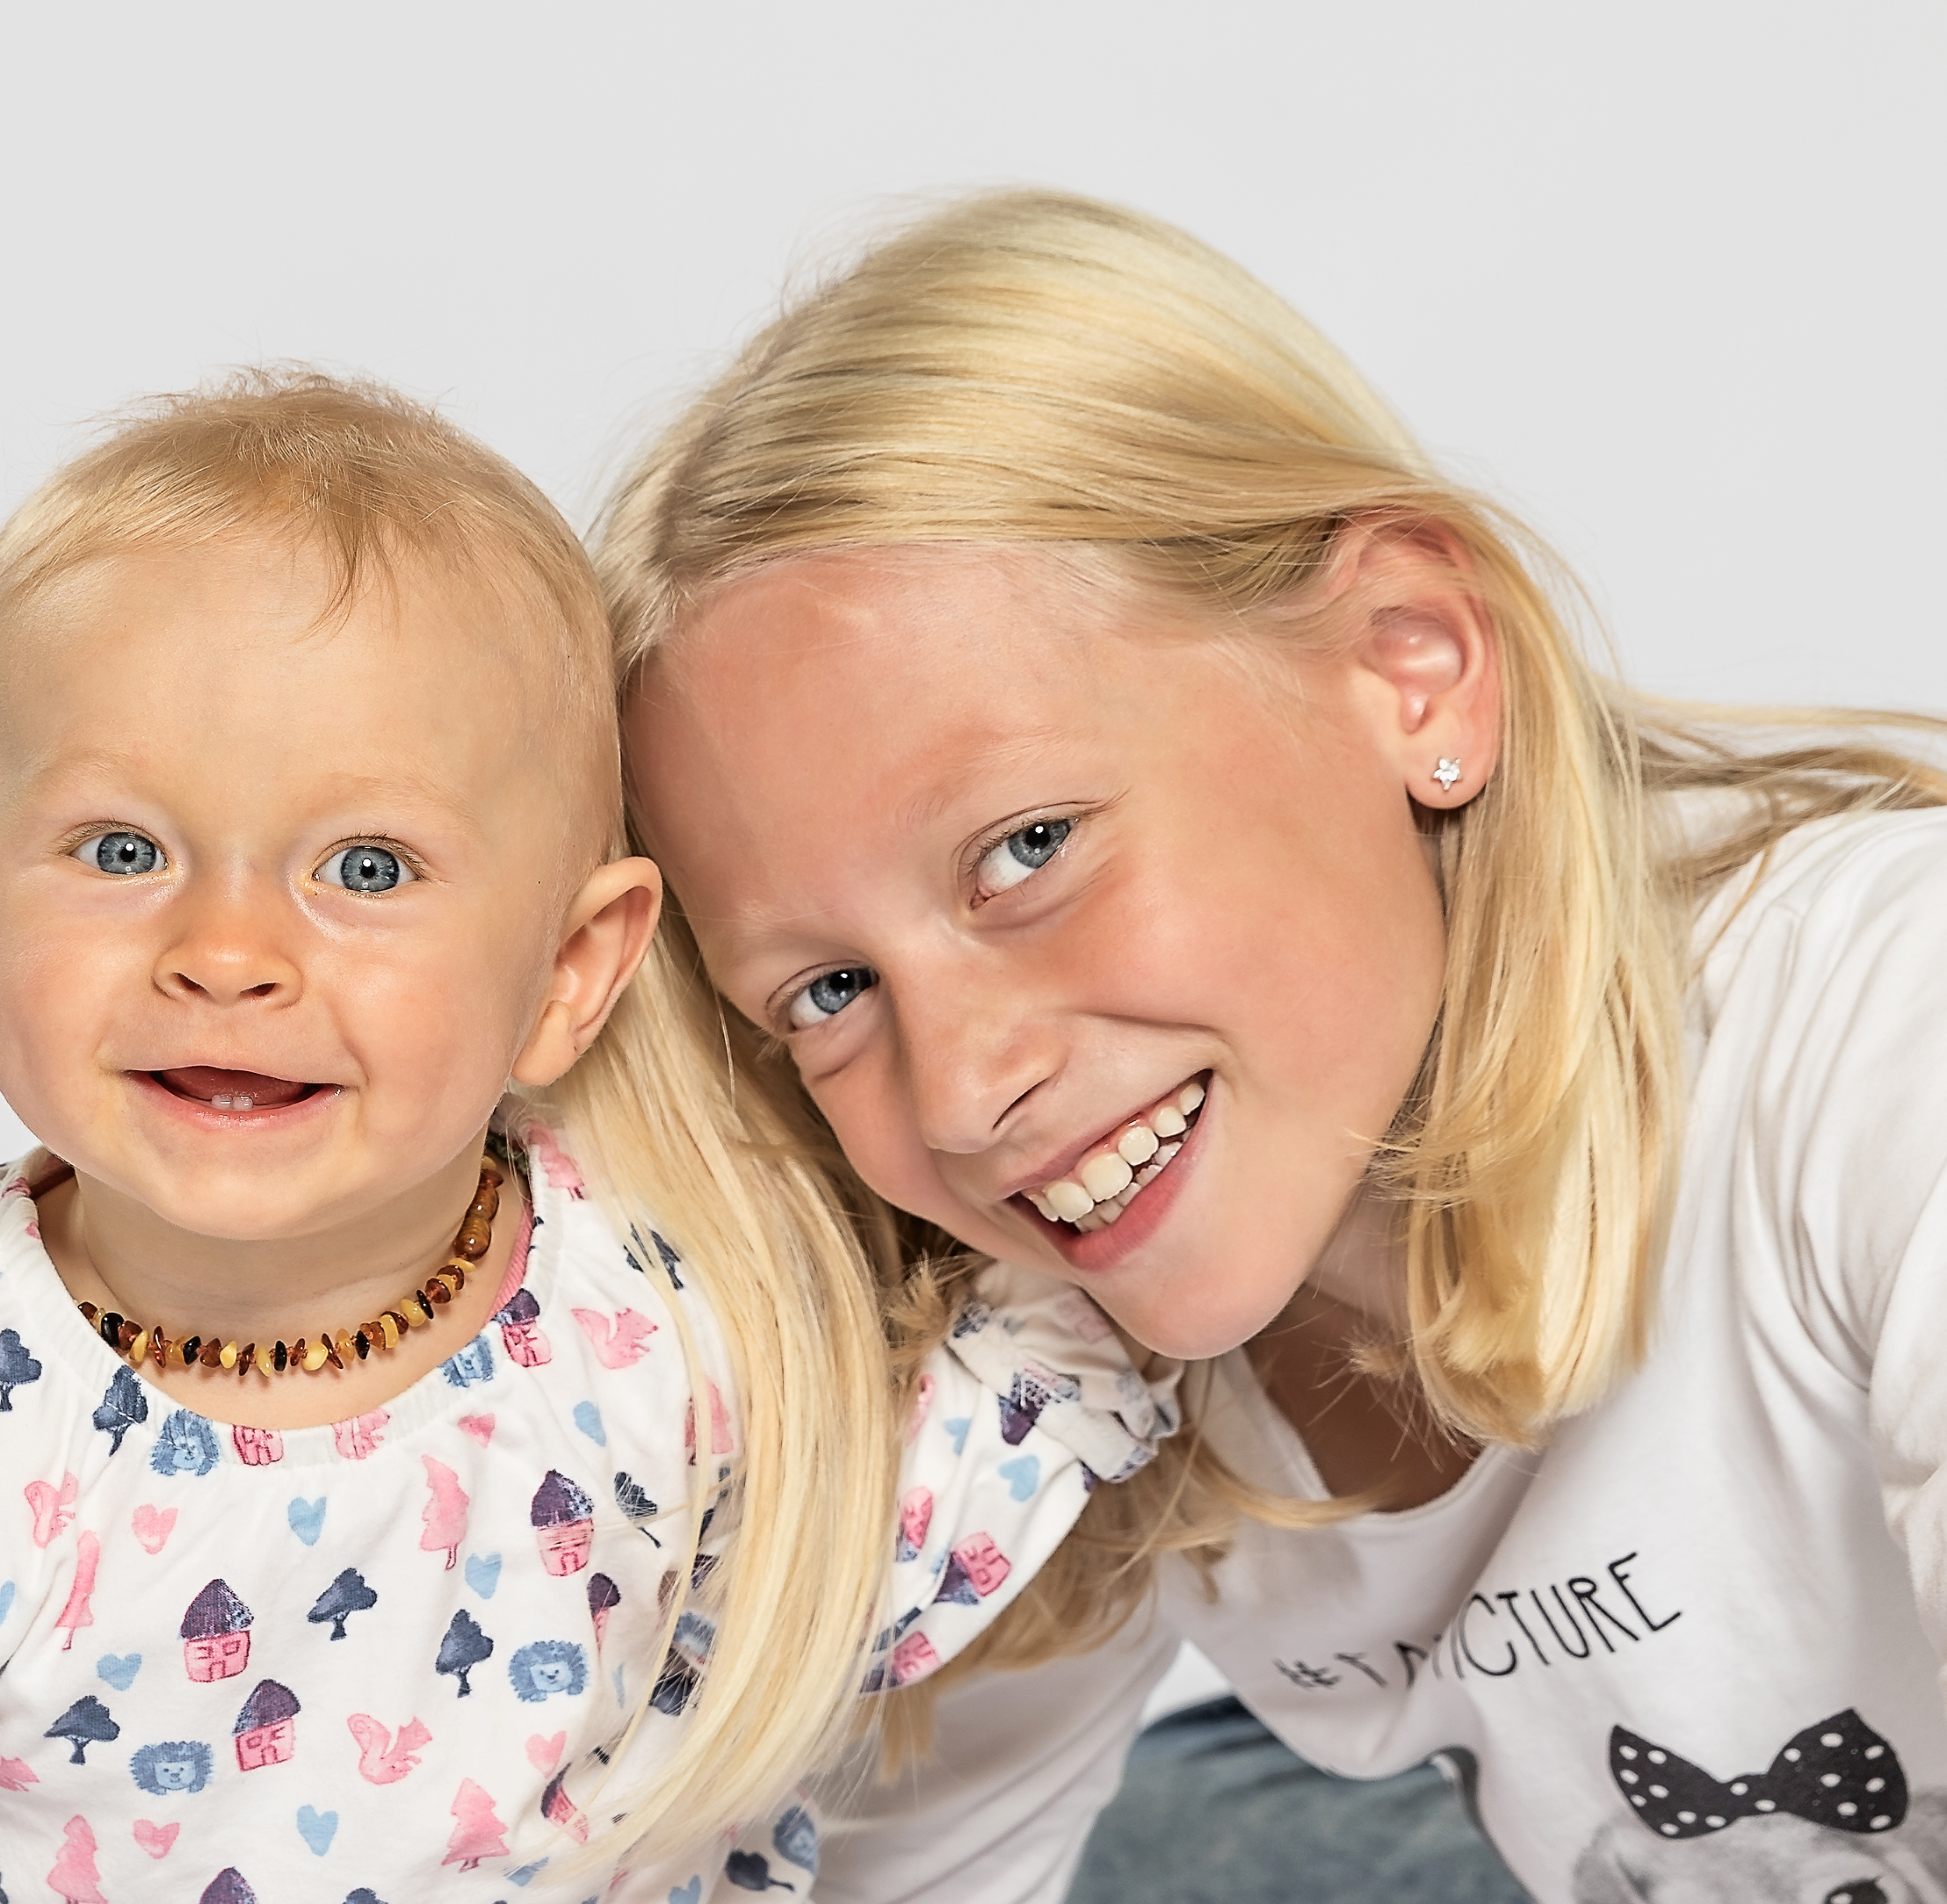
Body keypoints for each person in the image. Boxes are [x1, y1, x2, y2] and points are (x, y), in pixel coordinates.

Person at [0, 373, 1174, 1903]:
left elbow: (875, 1534)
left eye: (364, 868)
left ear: (568, 976)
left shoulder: (665, 1309)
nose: (226, 953)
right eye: (123, 850)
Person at [602, 189, 1947, 1903]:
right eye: (825, 992)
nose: (960, 1091)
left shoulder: (1878, 1024)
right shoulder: (1046, 1359)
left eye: (1027, 848)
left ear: (1410, 670)